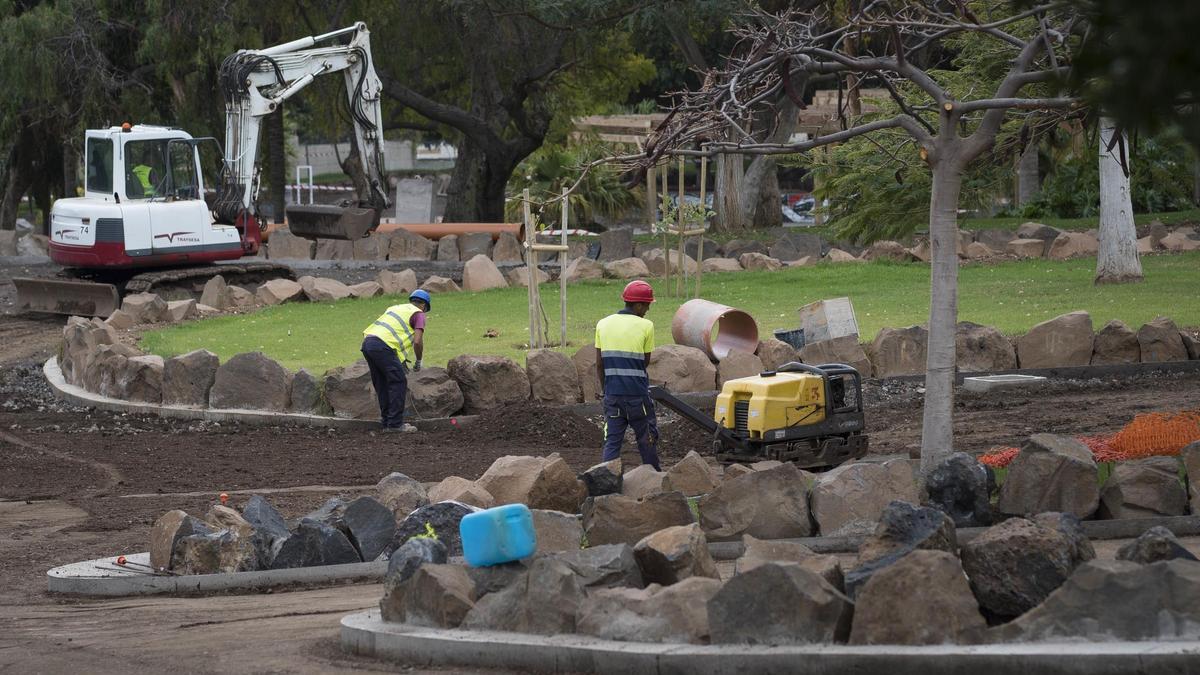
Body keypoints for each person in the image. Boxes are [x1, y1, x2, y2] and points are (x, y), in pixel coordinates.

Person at [594, 279, 660, 470]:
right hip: (637, 396)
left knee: (612, 442)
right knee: (647, 438)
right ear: (638, 305)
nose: (648, 309)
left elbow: (599, 364)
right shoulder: (646, 325)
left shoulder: (603, 324)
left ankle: (605, 483)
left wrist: (606, 389)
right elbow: (644, 362)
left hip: (613, 395)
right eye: (647, 305)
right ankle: (654, 479)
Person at [361, 289, 430, 433]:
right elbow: (417, 342)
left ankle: (387, 422)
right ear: (423, 305)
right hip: (383, 347)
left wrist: (401, 360)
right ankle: (395, 424)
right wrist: (418, 360)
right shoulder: (419, 314)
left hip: (368, 343)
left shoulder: (395, 308)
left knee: (382, 383)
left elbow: (391, 333)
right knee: (398, 382)